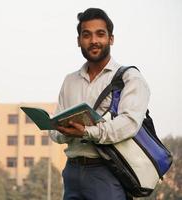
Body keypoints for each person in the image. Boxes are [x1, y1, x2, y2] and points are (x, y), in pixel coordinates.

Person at [49, 8, 150, 200]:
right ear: (79, 41)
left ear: (111, 39)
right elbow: (55, 130)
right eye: (86, 35)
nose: (94, 40)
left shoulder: (130, 78)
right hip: (71, 171)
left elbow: (128, 124)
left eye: (100, 34)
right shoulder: (70, 81)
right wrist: (59, 130)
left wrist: (87, 132)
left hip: (107, 171)